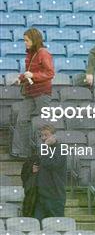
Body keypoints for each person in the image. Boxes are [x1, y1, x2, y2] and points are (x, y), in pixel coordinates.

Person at [11, 28, 54, 159]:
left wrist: (33, 75)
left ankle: (45, 153)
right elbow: (29, 72)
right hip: (31, 93)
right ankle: (22, 152)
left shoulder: (43, 53)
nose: (25, 43)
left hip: (42, 93)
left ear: (34, 40)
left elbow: (50, 73)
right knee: (22, 120)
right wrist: (21, 78)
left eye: (27, 40)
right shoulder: (31, 54)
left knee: (43, 124)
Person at [34, 124, 67, 220]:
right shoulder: (43, 149)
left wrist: (44, 147)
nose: (43, 138)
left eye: (46, 135)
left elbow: (51, 164)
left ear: (54, 136)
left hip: (55, 195)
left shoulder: (61, 149)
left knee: (57, 226)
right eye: (41, 135)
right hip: (41, 196)